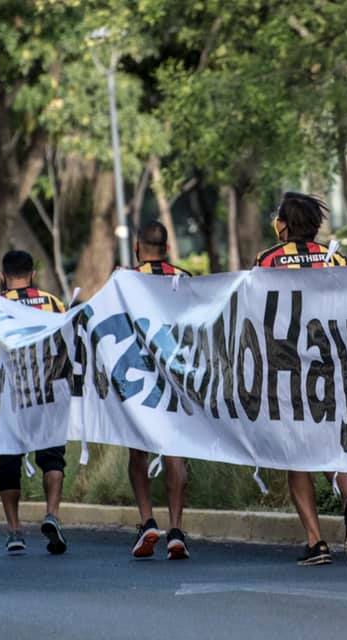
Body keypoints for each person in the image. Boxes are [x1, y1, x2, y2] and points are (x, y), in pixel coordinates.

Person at [255, 192, 347, 566]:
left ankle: (316, 541)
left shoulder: (268, 260)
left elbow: (256, 314)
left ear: (283, 224)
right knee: (330, 440)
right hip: (330, 364)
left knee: (297, 454)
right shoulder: (335, 259)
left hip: (289, 367)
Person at [127, 221, 193, 560]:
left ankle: (147, 520)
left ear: (138, 247)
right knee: (174, 449)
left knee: (137, 452)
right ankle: (177, 528)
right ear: (166, 248)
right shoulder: (183, 278)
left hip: (136, 378)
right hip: (174, 377)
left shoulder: (124, 280)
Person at [0, 250, 69, 555]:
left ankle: (15, 531)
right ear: (33, 274)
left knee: (9, 462)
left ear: (3, 276)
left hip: (12, 397)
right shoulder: (52, 302)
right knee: (52, 456)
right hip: (47, 392)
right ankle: (51, 514)